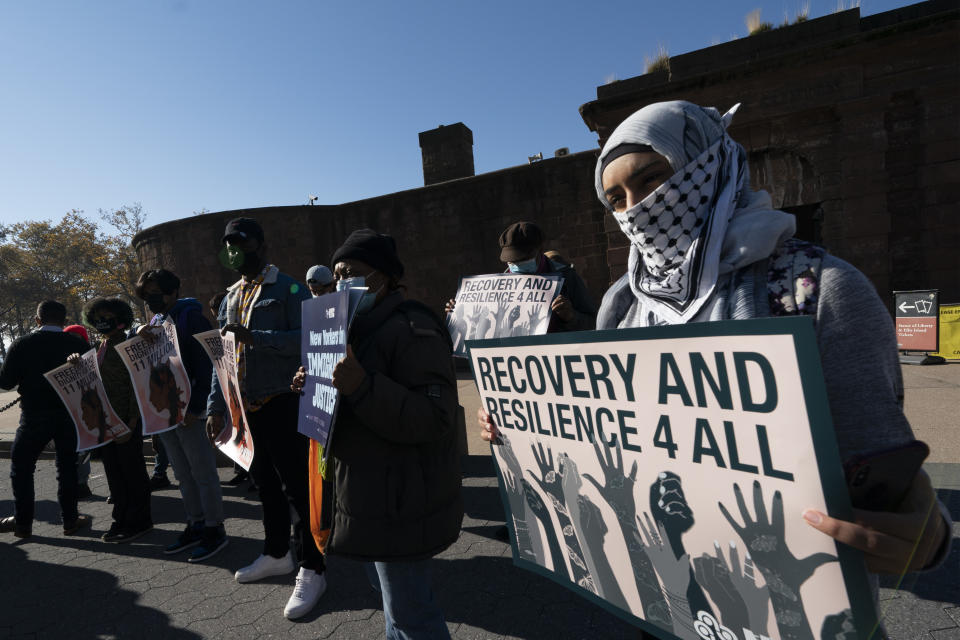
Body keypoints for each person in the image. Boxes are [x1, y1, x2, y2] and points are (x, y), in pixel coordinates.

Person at [479, 100, 951, 627]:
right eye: (617, 199)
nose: (639, 206)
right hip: (665, 595)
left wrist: (922, 532)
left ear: (712, 163)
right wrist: (523, 422)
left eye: (653, 178)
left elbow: (883, 479)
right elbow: (601, 425)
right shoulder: (623, 303)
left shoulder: (817, 290)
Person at [292, 228, 463, 639]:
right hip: (367, 497)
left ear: (382, 278)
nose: (340, 282)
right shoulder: (353, 327)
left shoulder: (413, 328)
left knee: (412, 617)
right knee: (393, 606)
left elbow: (435, 419)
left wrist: (362, 385)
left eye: (351, 272)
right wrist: (313, 382)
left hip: (400, 503)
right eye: (336, 275)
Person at [206, 217, 326, 620]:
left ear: (259, 243)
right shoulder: (228, 297)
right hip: (244, 408)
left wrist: (257, 338)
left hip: (283, 402)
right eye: (227, 244)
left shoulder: (288, 288)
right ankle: (277, 553)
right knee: (265, 485)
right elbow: (219, 359)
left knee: (297, 487)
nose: (233, 250)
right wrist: (214, 406)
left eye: (240, 242)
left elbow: (308, 339)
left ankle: (313, 566)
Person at [136, 268, 227, 562]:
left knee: (202, 474)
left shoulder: (192, 317)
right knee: (182, 475)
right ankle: (196, 523)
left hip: (189, 412)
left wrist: (198, 407)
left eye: (155, 292)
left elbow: (210, 364)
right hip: (166, 412)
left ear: (173, 291)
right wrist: (139, 332)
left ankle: (215, 529)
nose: (151, 298)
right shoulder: (156, 321)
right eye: (146, 294)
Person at [0, 301, 92, 539]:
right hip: (68, 413)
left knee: (21, 468)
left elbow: (6, 382)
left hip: (34, 414)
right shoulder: (77, 344)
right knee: (67, 468)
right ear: (64, 320)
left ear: (37, 319)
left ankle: (22, 523)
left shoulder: (22, 344)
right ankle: (70, 520)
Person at [79, 297, 153, 543]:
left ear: (119, 317)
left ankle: (139, 521)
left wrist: (132, 421)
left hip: (125, 420)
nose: (101, 320)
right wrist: (76, 363)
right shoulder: (101, 345)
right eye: (97, 316)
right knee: (114, 474)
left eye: (107, 315)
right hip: (106, 421)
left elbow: (137, 383)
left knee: (132, 473)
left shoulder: (128, 343)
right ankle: (120, 519)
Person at [444, 220, 597, 332]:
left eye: (523, 258)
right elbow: (485, 326)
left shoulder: (567, 278)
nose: (516, 264)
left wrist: (571, 317)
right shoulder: (496, 286)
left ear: (540, 249)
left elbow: (594, 323)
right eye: (511, 260)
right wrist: (458, 313)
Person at [64, 323, 95, 500]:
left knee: (82, 449)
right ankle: (81, 482)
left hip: (83, 409)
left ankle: (80, 483)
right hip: (79, 409)